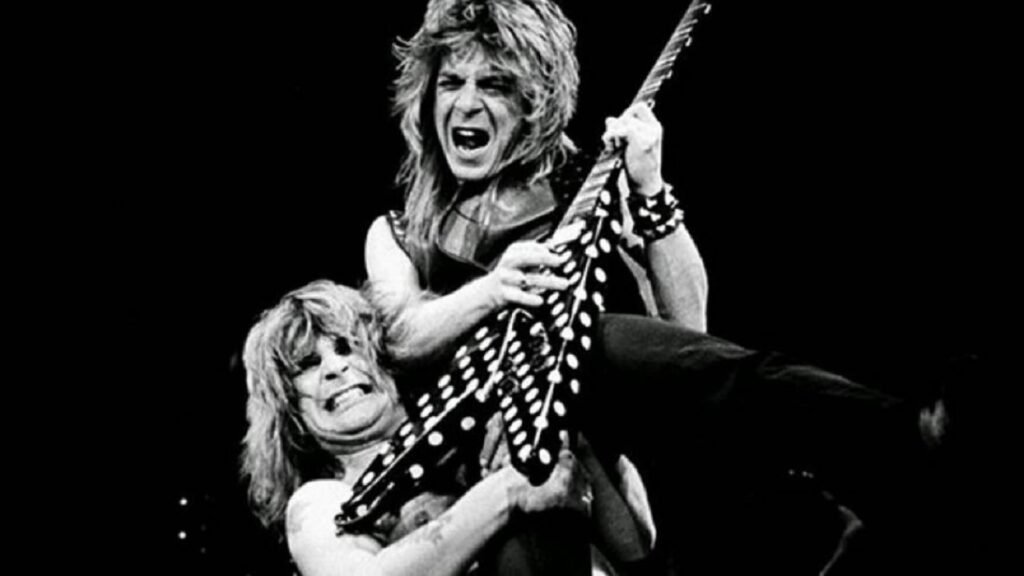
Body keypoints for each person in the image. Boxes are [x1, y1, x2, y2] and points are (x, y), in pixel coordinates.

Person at [360, 0, 967, 572]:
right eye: (451, 82)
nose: (466, 102)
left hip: (627, 445)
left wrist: (650, 190)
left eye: (492, 85)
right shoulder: (399, 232)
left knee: (611, 344)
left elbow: (690, 330)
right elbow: (402, 335)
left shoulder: (584, 187)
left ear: (531, 103)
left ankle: (903, 438)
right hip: (509, 462)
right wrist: (494, 289)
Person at [241, 280, 659, 576]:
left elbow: (636, 547)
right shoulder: (320, 500)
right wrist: (508, 491)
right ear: (290, 412)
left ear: (389, 360)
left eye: (347, 347)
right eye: (308, 366)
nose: (336, 368)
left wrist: (575, 444)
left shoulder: (486, 430)